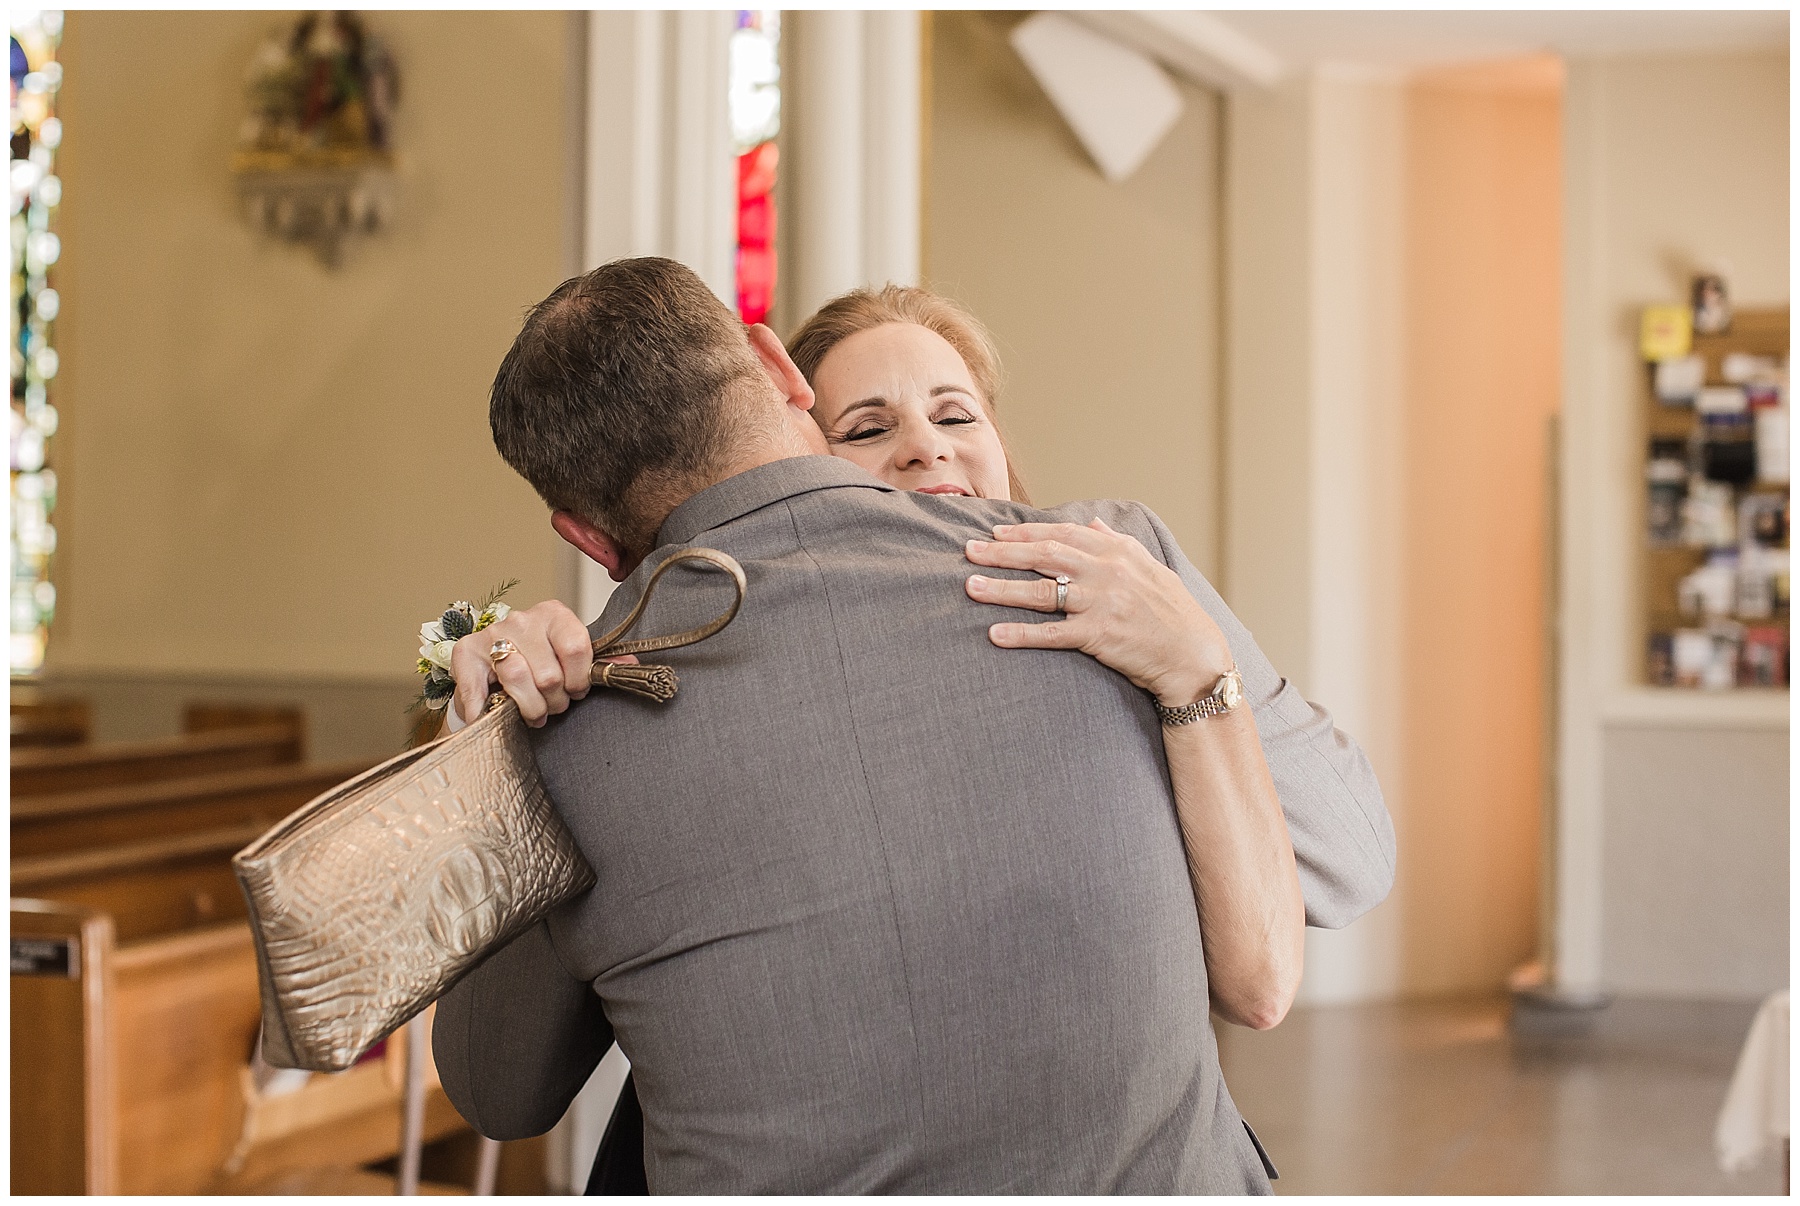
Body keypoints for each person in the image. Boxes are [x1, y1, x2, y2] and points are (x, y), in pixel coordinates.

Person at [433, 257, 1394, 1192]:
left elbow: (496, 1092)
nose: (927, 452)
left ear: (587, 538)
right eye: (870, 424)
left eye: (954, 412)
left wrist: (1201, 671)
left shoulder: (1110, 584)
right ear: (784, 382)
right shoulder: (1099, 570)